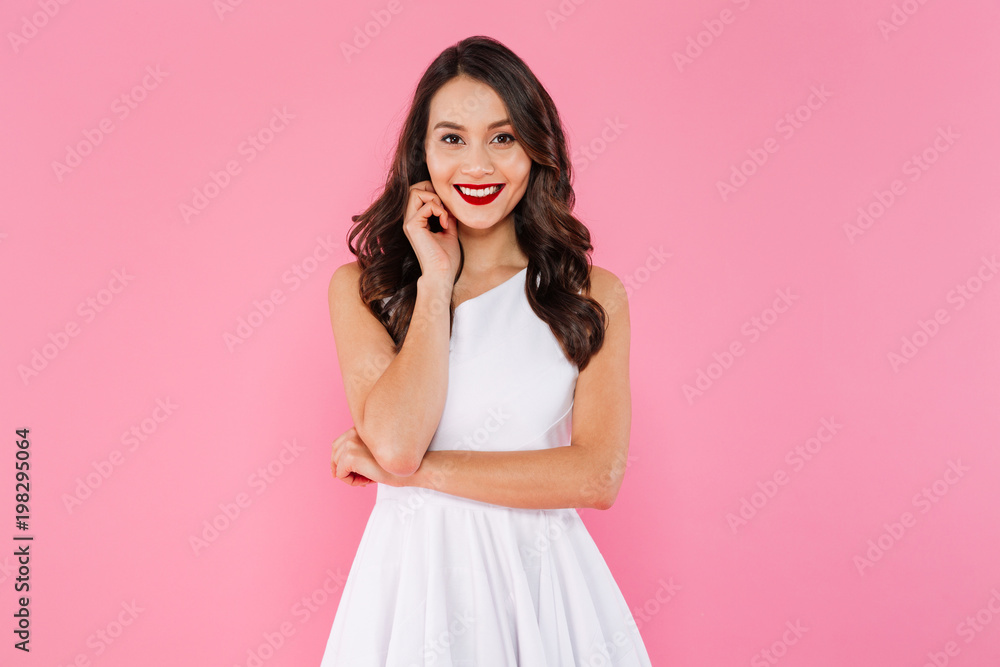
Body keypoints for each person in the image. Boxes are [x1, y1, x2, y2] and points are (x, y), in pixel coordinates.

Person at [320, 35, 652, 666]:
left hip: (543, 592)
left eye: (502, 137)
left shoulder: (589, 293)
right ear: (420, 152)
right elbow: (394, 440)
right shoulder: (364, 290)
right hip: (410, 593)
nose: (477, 165)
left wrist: (417, 474)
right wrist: (437, 281)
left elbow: (596, 476)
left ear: (534, 147)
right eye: (452, 138)